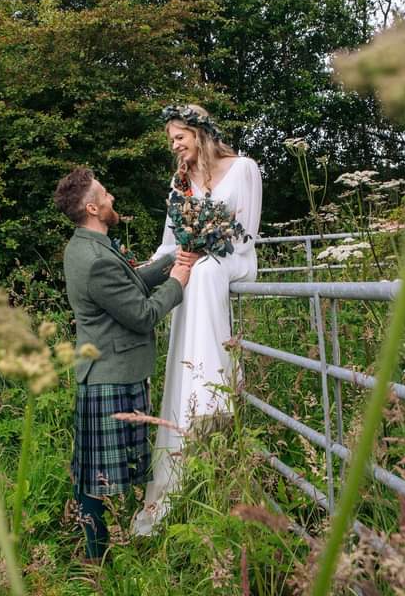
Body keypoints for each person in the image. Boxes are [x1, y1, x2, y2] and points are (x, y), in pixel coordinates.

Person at [132, 104, 263, 535]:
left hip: (233, 262)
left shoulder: (243, 168)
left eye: (179, 137)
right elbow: (170, 242)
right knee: (187, 273)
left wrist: (205, 251)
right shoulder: (180, 182)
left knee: (201, 272)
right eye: (171, 140)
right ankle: (193, 391)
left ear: (199, 133)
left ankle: (215, 391)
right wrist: (147, 269)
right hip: (196, 264)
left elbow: (247, 233)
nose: (174, 146)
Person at [54, 166, 197, 563]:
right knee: (96, 478)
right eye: (106, 193)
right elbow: (142, 314)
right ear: (93, 207)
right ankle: (96, 557)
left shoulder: (90, 246)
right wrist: (179, 280)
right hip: (110, 378)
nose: (113, 197)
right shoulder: (94, 259)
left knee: (101, 471)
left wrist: (172, 260)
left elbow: (130, 282)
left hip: (112, 373)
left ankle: (109, 544)